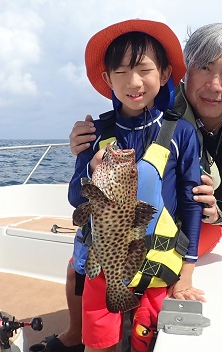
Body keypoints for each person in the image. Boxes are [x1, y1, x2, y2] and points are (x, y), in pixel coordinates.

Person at [55, 23, 222, 351]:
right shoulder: (128, 118)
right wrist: (89, 162)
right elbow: (77, 196)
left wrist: (199, 245)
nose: (214, 84)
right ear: (185, 72)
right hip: (116, 230)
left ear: (164, 74)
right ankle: (78, 334)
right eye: (205, 68)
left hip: (202, 219)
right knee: (80, 264)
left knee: (150, 300)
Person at [62, 19, 205, 352]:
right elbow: (75, 198)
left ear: (165, 74)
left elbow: (190, 202)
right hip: (105, 263)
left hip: (156, 262)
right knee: (98, 344)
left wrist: (187, 271)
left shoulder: (181, 132)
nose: (134, 81)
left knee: (146, 340)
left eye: (144, 69)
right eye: (122, 71)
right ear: (107, 78)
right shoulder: (95, 132)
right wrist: (90, 172)